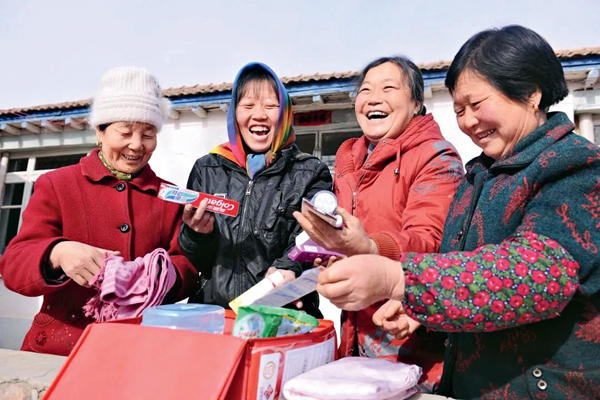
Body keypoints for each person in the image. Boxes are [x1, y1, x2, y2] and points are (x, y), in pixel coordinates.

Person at [316, 25, 600, 399]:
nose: (467, 122)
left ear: (531, 94)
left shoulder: (576, 167)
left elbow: (536, 272)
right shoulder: (477, 176)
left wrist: (397, 279)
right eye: (459, 110)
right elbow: (459, 263)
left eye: (477, 105)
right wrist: (419, 309)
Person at [0, 67, 198, 356]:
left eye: (148, 133)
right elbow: (14, 264)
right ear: (100, 132)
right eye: (126, 132)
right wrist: (58, 253)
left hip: (138, 350)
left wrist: (158, 276)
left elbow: (188, 266)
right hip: (61, 347)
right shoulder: (58, 184)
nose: (137, 145)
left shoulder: (169, 196)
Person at [294, 56, 464, 390]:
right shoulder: (348, 162)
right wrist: (330, 258)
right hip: (356, 335)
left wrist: (369, 248)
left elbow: (431, 240)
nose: (373, 98)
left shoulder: (436, 157)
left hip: (413, 340)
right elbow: (348, 239)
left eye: (389, 88)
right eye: (366, 89)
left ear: (416, 103)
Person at [178, 62, 332, 318]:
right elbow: (196, 262)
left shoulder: (310, 172)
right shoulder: (208, 168)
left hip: (282, 315)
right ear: (234, 113)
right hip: (215, 317)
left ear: (284, 113)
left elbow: (313, 238)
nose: (259, 115)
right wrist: (196, 234)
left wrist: (287, 268)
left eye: (271, 106)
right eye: (248, 106)